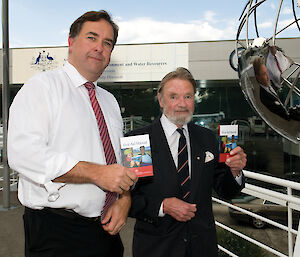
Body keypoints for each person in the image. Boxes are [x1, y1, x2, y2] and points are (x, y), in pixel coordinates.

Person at [7, 10, 138, 257]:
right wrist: (96, 173)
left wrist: (124, 199)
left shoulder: (109, 102)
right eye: (92, 37)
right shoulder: (42, 87)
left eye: (107, 43)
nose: (99, 47)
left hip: (105, 231)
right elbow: (23, 153)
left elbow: (117, 164)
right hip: (56, 232)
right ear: (71, 41)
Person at [126, 67, 247, 257]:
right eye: (173, 96)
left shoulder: (207, 138)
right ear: (161, 100)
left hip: (202, 248)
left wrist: (235, 173)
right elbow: (127, 199)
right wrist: (162, 206)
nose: (182, 103)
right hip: (156, 248)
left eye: (188, 96)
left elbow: (225, 190)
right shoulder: (138, 141)